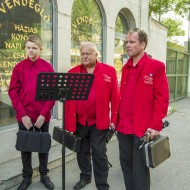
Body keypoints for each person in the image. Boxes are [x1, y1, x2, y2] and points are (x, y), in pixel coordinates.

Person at [116, 28, 169, 190]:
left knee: (139, 170)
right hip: (123, 126)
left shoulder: (156, 67)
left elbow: (162, 99)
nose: (128, 45)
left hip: (142, 129)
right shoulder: (126, 68)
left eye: (132, 42)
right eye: (127, 42)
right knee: (126, 166)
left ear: (143, 45)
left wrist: (155, 125)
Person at [65, 42, 119, 190]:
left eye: (88, 53)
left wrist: (114, 120)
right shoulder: (72, 72)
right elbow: (68, 101)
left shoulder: (109, 71)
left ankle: (102, 185)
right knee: (81, 152)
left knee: (99, 153)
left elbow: (115, 98)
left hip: (99, 122)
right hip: (80, 121)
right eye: (82, 54)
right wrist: (69, 123)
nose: (85, 56)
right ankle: (85, 177)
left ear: (96, 55)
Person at [8, 34, 55, 190]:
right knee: (25, 147)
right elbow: (13, 92)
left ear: (40, 49)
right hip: (25, 116)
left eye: (34, 48)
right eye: (28, 47)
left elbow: (52, 93)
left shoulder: (47, 67)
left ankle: (44, 175)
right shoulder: (19, 67)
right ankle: (26, 177)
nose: (31, 51)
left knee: (43, 146)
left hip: (43, 116)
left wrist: (43, 113)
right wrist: (23, 114)